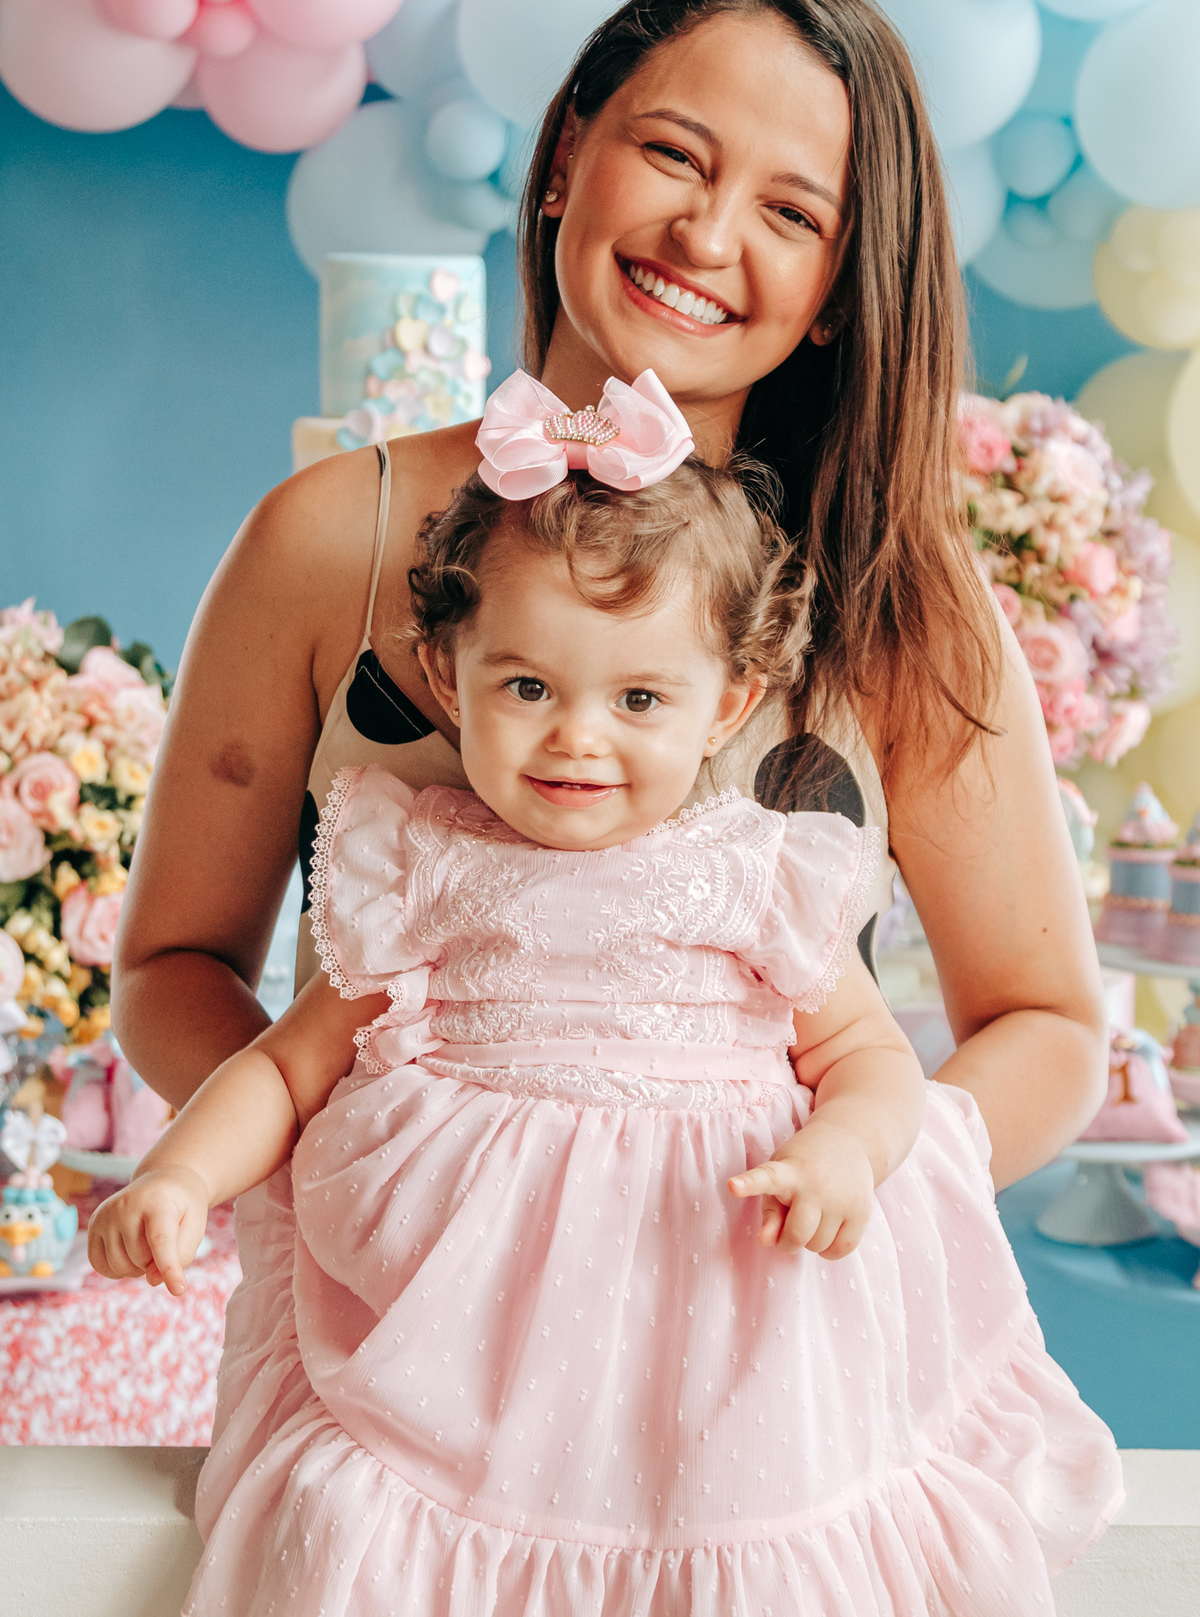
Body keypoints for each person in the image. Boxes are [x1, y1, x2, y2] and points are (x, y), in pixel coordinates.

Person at [110, 0, 1116, 1605]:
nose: (709, 236)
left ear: (842, 280)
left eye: (791, 211)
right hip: (413, 1370)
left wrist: (855, 1176)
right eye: (674, 153)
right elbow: (171, 968)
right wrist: (394, 1173)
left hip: (766, 1400)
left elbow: (1048, 1027)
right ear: (569, 148)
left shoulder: (897, 595)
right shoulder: (331, 540)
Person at [92, 420, 1118, 1612]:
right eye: (527, 686)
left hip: (716, 1279)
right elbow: (284, 1069)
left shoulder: (757, 876)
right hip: (468, 1307)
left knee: (742, 1530)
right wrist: (181, 1175)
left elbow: (868, 1058)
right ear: (447, 678)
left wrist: (844, 1151)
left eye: (639, 697)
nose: (578, 735)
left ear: (728, 704)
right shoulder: (420, 868)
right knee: (410, 1524)